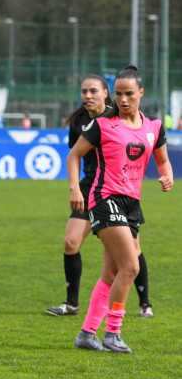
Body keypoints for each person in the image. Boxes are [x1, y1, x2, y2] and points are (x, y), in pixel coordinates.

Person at [67, 65, 173, 353]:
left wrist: (167, 176)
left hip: (131, 204)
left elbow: (163, 161)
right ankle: (112, 333)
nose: (123, 100)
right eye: (118, 94)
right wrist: (76, 189)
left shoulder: (154, 127)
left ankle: (87, 333)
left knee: (111, 273)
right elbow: (74, 156)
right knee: (131, 265)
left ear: (141, 93)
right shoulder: (102, 125)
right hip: (104, 199)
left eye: (129, 94)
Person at [47, 75, 155, 318]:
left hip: (118, 190)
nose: (88, 96)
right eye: (84, 91)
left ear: (106, 93)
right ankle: (72, 303)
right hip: (89, 189)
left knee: (131, 253)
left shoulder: (119, 117)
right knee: (70, 242)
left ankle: (144, 303)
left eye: (93, 91)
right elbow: (75, 156)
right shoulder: (78, 122)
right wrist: (74, 188)